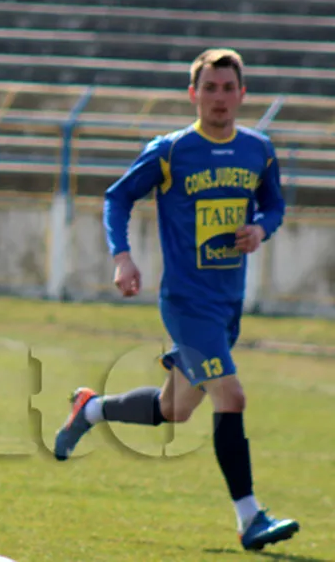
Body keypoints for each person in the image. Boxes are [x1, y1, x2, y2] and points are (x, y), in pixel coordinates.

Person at [52, 48, 299, 552]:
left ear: (242, 94)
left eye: (228, 88)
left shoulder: (259, 150)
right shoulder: (170, 150)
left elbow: (274, 204)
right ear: (193, 94)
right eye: (210, 88)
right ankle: (250, 518)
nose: (220, 98)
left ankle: (90, 409)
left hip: (228, 304)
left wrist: (261, 228)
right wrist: (122, 257)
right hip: (186, 305)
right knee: (232, 398)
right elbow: (117, 196)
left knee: (175, 409)